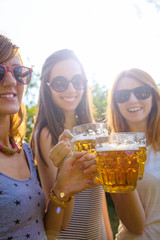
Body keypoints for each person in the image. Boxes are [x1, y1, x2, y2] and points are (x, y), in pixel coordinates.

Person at [0, 34, 100, 240]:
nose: (10, 80)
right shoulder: (43, 135)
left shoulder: (24, 151)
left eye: (18, 72)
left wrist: (62, 189)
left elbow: (51, 231)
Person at [30, 49, 113, 240]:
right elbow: (58, 209)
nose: (71, 89)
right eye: (60, 83)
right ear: (47, 87)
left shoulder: (90, 132)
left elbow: (98, 198)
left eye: (77, 81)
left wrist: (109, 236)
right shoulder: (46, 134)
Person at [107, 68, 160, 239]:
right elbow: (135, 226)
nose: (132, 100)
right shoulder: (111, 152)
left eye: (141, 92)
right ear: (116, 104)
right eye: (123, 96)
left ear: (154, 96)